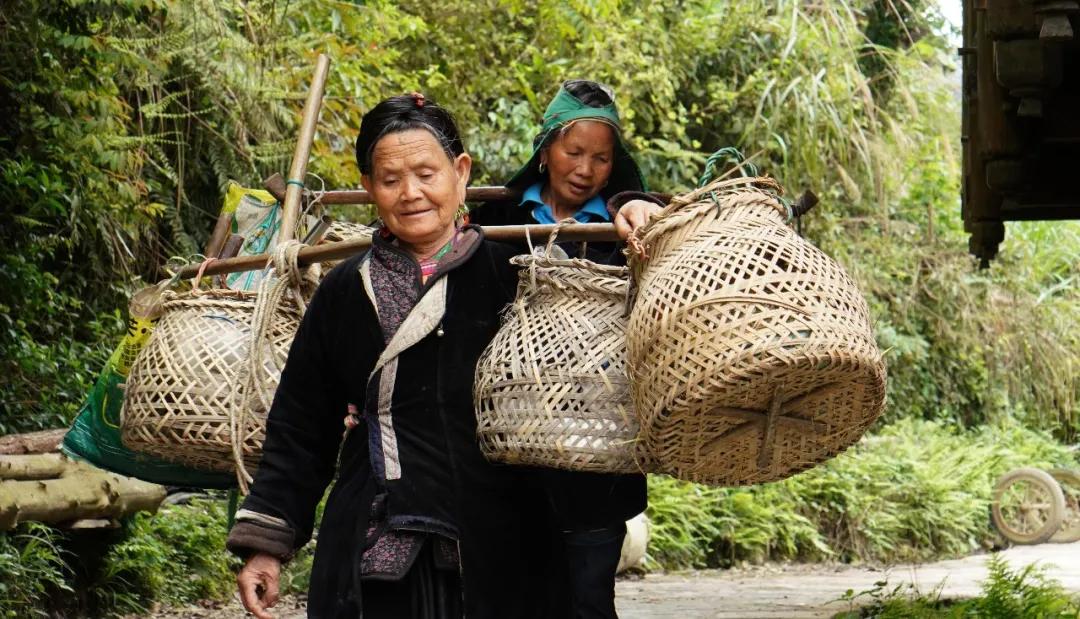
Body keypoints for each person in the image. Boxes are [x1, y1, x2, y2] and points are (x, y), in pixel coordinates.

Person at [226, 93, 548, 619]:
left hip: (497, 542)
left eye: (427, 173)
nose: (411, 193)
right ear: (370, 187)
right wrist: (268, 544)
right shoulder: (345, 291)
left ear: (460, 172)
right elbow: (301, 426)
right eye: (391, 179)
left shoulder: (512, 279)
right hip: (373, 546)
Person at [469, 79, 665, 619]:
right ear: (545, 149)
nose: (585, 169)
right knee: (511, 595)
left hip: (598, 450)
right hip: (506, 444)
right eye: (573, 152)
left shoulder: (631, 228)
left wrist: (638, 206)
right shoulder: (497, 220)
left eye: (601, 158)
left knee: (587, 598)